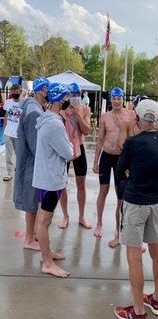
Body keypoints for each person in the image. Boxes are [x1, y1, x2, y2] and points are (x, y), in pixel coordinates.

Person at [114, 99, 158, 319]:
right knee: (156, 249)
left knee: (134, 253)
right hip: (156, 201)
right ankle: (157, 298)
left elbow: (120, 173)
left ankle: (138, 311)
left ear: (137, 118)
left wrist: (131, 174)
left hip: (136, 201)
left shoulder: (132, 143)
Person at [33, 83, 73, 278]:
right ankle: (47, 263)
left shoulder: (45, 118)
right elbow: (69, 153)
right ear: (59, 100)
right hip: (51, 179)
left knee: (42, 218)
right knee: (44, 222)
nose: (68, 101)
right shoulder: (55, 124)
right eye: (66, 98)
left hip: (45, 176)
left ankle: (46, 254)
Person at [93, 87, 135, 247]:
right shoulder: (105, 116)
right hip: (107, 156)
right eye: (114, 98)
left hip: (122, 159)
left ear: (123, 99)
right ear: (110, 99)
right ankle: (99, 223)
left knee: (120, 195)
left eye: (119, 98)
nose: (116, 101)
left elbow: (132, 138)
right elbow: (100, 140)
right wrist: (96, 161)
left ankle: (118, 230)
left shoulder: (130, 115)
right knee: (103, 190)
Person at [13, 77, 50, 250]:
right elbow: (36, 145)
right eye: (48, 90)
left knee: (33, 199)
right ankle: (29, 239)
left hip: (29, 161)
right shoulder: (34, 111)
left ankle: (32, 235)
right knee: (31, 200)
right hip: (31, 164)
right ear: (42, 90)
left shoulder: (31, 106)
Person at [58, 83, 92, 230]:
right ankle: (65, 215)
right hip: (65, 148)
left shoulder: (85, 109)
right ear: (68, 95)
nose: (75, 97)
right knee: (62, 184)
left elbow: (87, 131)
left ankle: (81, 216)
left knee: (81, 184)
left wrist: (78, 114)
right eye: (72, 94)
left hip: (80, 147)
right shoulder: (61, 110)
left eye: (77, 94)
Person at [3, 84, 22, 181]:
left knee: (19, 154)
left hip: (18, 134)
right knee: (8, 154)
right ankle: (9, 173)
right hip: (8, 133)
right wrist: (5, 127)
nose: (15, 93)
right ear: (11, 92)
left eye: (17, 92)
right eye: (13, 92)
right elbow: (6, 115)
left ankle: (18, 171)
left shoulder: (23, 103)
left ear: (20, 92)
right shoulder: (8, 102)